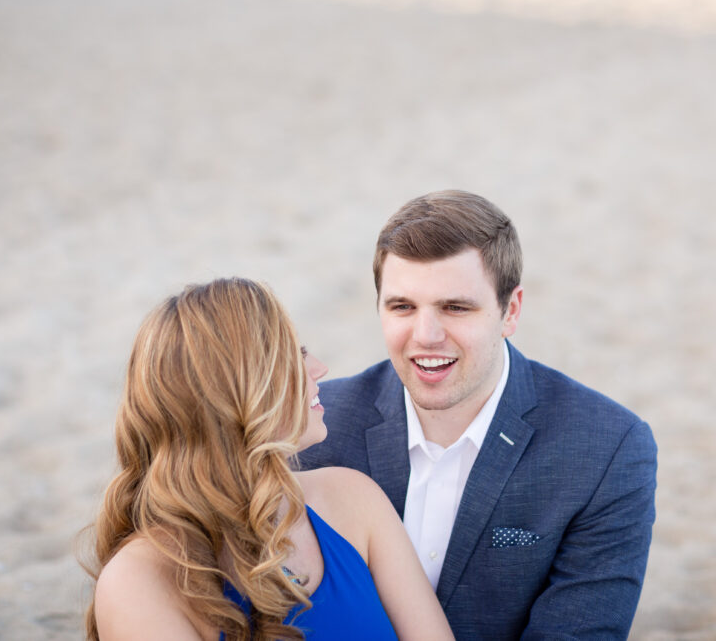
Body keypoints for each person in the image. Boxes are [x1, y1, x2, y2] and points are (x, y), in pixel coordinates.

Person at [299, 191, 658, 639]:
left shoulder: (607, 448)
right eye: (402, 307)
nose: (425, 336)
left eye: (456, 307)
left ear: (511, 311)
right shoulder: (313, 429)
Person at [82, 278, 454, 641]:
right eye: (295, 355)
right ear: (235, 393)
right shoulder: (140, 580)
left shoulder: (353, 497)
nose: (319, 368)